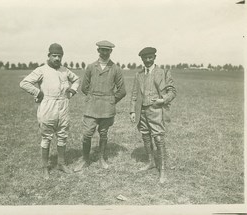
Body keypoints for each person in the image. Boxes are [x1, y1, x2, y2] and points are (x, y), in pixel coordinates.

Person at [20, 43, 80, 179]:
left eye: (59, 56)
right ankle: (45, 167)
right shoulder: (41, 70)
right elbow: (24, 83)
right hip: (48, 106)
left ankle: (61, 163)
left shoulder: (65, 70)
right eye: (54, 56)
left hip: (63, 105)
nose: (57, 58)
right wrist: (37, 92)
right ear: (49, 56)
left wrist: (72, 90)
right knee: (46, 137)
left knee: (62, 135)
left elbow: (76, 79)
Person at [74, 40, 126, 172]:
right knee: (87, 134)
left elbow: (122, 90)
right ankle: (85, 159)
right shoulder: (91, 67)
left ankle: (101, 158)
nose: (104, 52)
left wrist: (110, 100)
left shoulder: (116, 69)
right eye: (102, 49)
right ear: (98, 51)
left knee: (103, 133)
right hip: (91, 107)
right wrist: (94, 97)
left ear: (111, 51)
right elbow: (84, 88)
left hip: (107, 109)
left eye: (107, 50)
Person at [130, 47, 176, 183]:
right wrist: (132, 111)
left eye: (150, 57)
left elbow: (172, 91)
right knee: (145, 135)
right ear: (142, 59)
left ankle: (162, 170)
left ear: (155, 57)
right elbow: (134, 94)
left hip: (156, 111)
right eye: (145, 58)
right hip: (142, 111)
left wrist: (163, 99)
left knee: (158, 138)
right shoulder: (138, 75)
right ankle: (151, 162)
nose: (148, 60)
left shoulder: (163, 72)